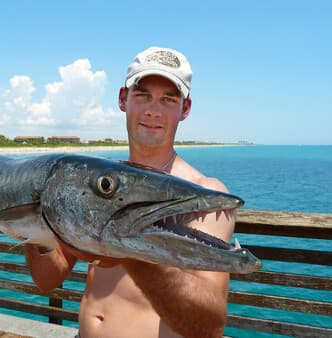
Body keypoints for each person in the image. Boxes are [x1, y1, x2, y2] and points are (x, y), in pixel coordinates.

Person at [25, 46, 236, 338]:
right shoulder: (95, 183)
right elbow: (47, 279)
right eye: (143, 95)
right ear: (123, 99)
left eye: (168, 99)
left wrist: (129, 250)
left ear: (184, 109)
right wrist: (30, 221)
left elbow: (208, 327)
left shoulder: (205, 194)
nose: (153, 110)